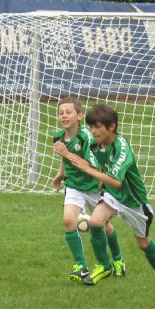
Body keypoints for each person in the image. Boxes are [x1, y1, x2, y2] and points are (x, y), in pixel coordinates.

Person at [53, 103, 155, 298]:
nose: (93, 131)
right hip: (112, 196)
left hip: (134, 201)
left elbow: (117, 181)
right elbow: (101, 167)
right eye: (91, 127)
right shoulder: (95, 144)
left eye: (97, 127)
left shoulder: (121, 147)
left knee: (143, 244)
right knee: (95, 221)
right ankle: (104, 265)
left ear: (112, 127)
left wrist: (87, 168)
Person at [50, 96, 124, 285]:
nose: (64, 116)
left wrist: (67, 153)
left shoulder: (87, 137)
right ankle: (81, 266)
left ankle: (118, 259)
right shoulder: (58, 136)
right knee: (69, 220)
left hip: (93, 187)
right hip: (74, 186)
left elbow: (91, 165)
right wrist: (60, 174)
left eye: (68, 112)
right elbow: (64, 159)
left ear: (79, 116)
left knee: (104, 227)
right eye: (60, 113)